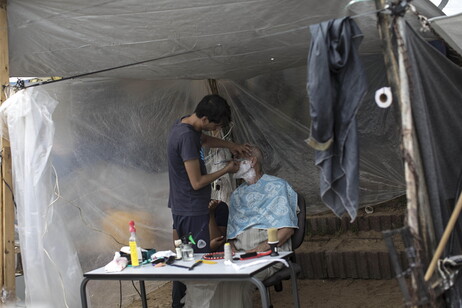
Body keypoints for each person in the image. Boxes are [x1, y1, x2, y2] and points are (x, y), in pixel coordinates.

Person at [183, 145, 299, 308]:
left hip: (269, 254)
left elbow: (287, 230)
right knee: (201, 281)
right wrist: (233, 250)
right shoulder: (237, 195)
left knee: (233, 282)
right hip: (239, 256)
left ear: (251, 161)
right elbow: (231, 236)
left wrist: (258, 249)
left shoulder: (278, 186)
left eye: (237, 159)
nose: (232, 163)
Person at [167, 94, 250, 308]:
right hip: (191, 209)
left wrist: (231, 145)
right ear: (205, 120)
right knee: (200, 270)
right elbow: (196, 182)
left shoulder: (187, 125)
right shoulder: (186, 137)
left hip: (187, 206)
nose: (215, 130)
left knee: (192, 263)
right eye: (216, 125)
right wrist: (226, 169)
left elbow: (203, 140)